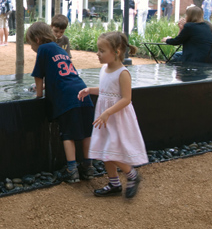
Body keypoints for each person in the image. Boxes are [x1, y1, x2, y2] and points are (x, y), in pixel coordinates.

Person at [77, 32, 147, 198]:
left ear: (116, 51)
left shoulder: (123, 73)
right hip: (105, 117)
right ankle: (114, 183)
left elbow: (126, 99)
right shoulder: (104, 69)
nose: (98, 54)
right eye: (98, 50)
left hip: (116, 118)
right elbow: (106, 91)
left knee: (109, 150)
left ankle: (131, 175)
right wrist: (90, 90)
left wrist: (108, 112)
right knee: (103, 149)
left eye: (102, 51)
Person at [27, 22, 94, 183]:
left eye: (30, 44)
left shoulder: (43, 49)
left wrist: (38, 95)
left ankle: (72, 170)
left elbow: (38, 75)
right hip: (83, 92)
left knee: (68, 134)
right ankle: (88, 167)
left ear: (37, 39)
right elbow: (61, 74)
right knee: (87, 133)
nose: (31, 48)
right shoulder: (58, 48)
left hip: (67, 98)